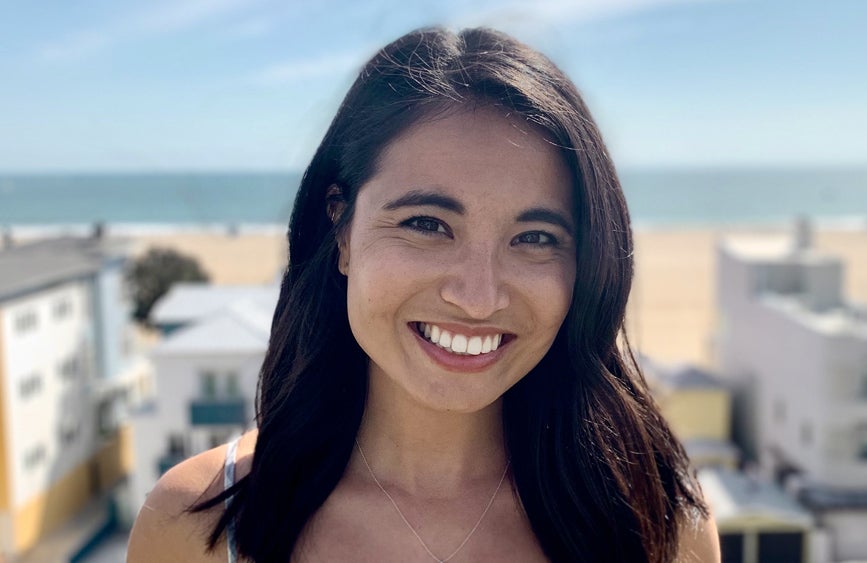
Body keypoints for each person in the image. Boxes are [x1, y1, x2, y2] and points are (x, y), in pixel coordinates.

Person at [127, 26, 719, 562]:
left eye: (535, 237)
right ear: (343, 231)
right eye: (427, 224)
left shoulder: (660, 526)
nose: (478, 297)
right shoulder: (195, 526)